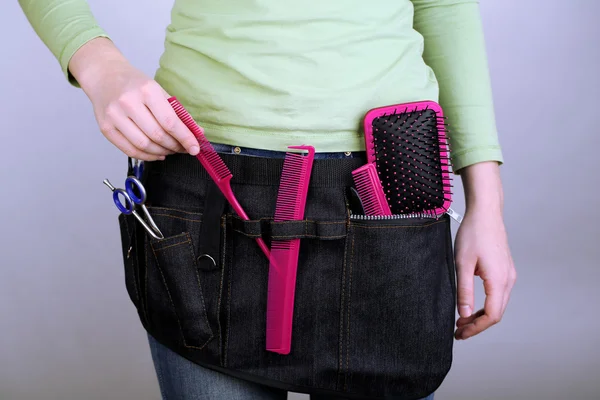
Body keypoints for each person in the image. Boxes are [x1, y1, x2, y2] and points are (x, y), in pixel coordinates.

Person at [19, 0, 517, 399]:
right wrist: (97, 63)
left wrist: (486, 203)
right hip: (205, 183)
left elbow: (444, 7)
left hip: (387, 198)